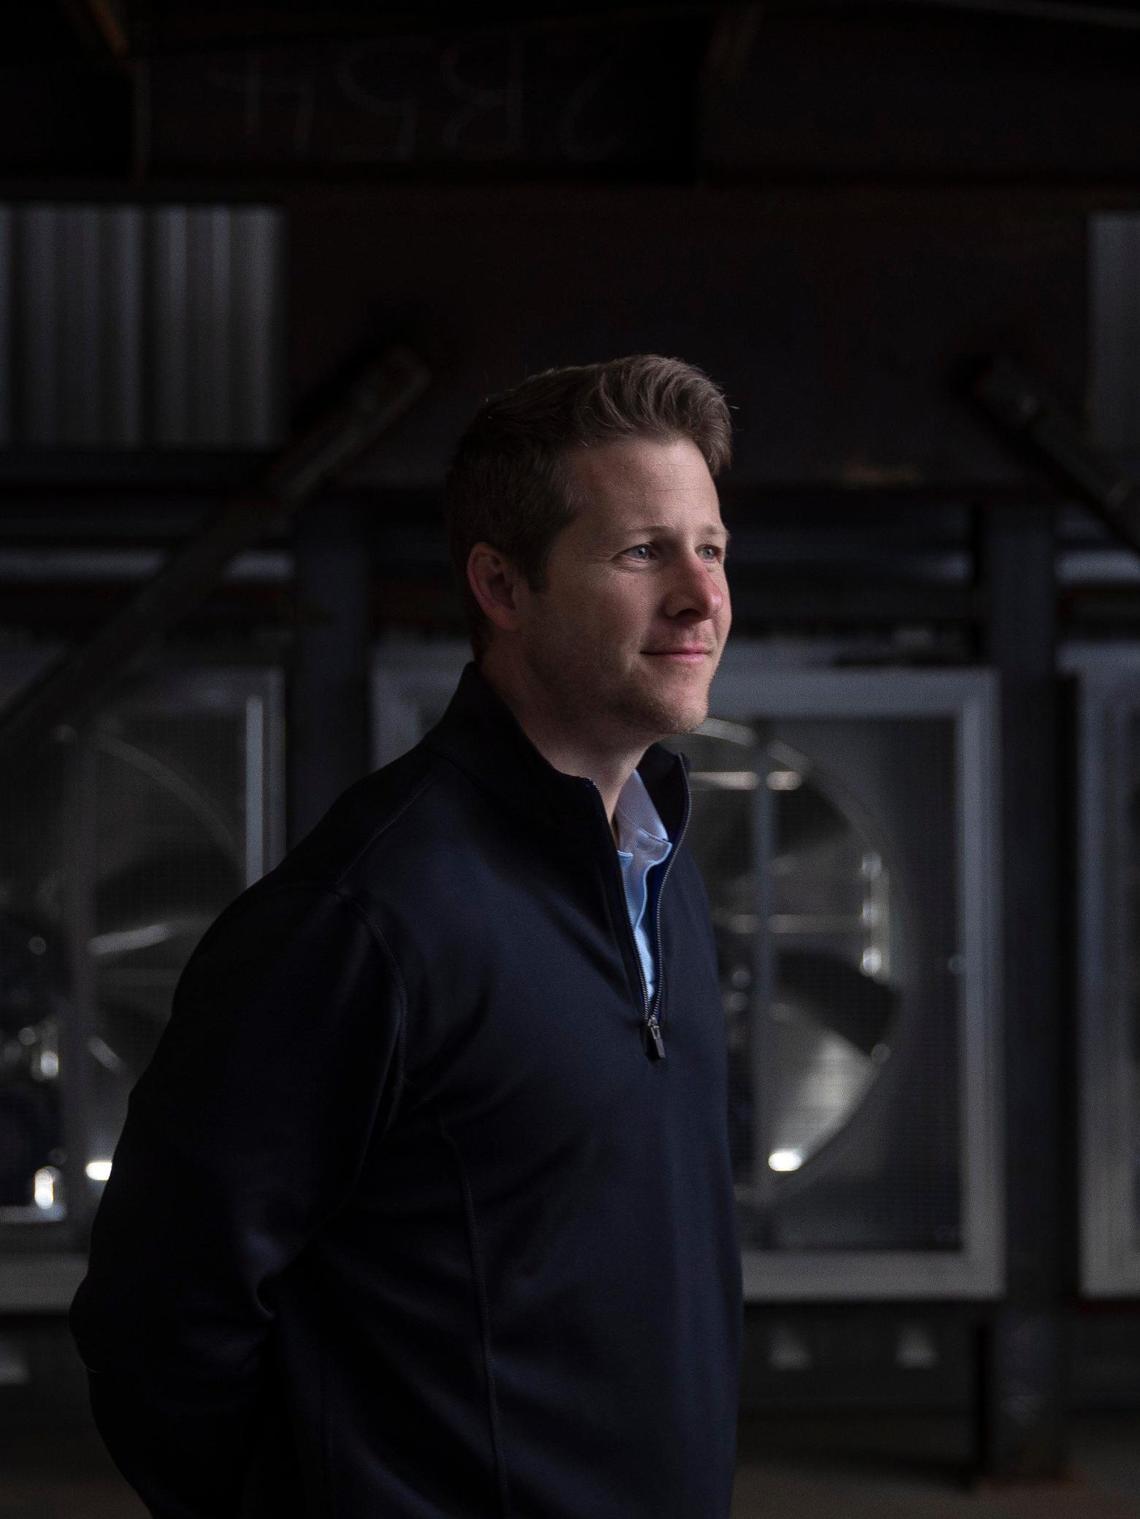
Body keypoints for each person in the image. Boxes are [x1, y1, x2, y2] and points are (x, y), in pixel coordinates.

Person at [70, 354, 743, 1518]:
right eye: (643, 553)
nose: (699, 596)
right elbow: (158, 1316)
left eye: (713, 547)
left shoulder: (661, 868)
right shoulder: (367, 915)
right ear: (502, 584)